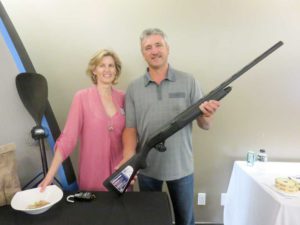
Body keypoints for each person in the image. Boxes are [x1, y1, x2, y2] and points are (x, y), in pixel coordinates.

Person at [121, 28, 220, 225]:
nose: (154, 51)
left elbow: (205, 125)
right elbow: (130, 129)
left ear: (168, 48)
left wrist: (207, 115)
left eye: (158, 45)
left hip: (181, 167)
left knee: (185, 220)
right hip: (147, 168)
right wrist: (128, 162)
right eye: (148, 47)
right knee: (150, 220)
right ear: (143, 53)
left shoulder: (188, 81)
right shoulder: (133, 88)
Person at [39, 49, 125, 192]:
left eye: (111, 65)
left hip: (120, 172)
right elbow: (68, 138)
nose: (107, 69)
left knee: (122, 212)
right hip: (92, 172)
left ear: (116, 70)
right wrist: (50, 175)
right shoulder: (82, 97)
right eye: (102, 65)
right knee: (93, 212)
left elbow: (131, 134)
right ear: (94, 70)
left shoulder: (124, 97)